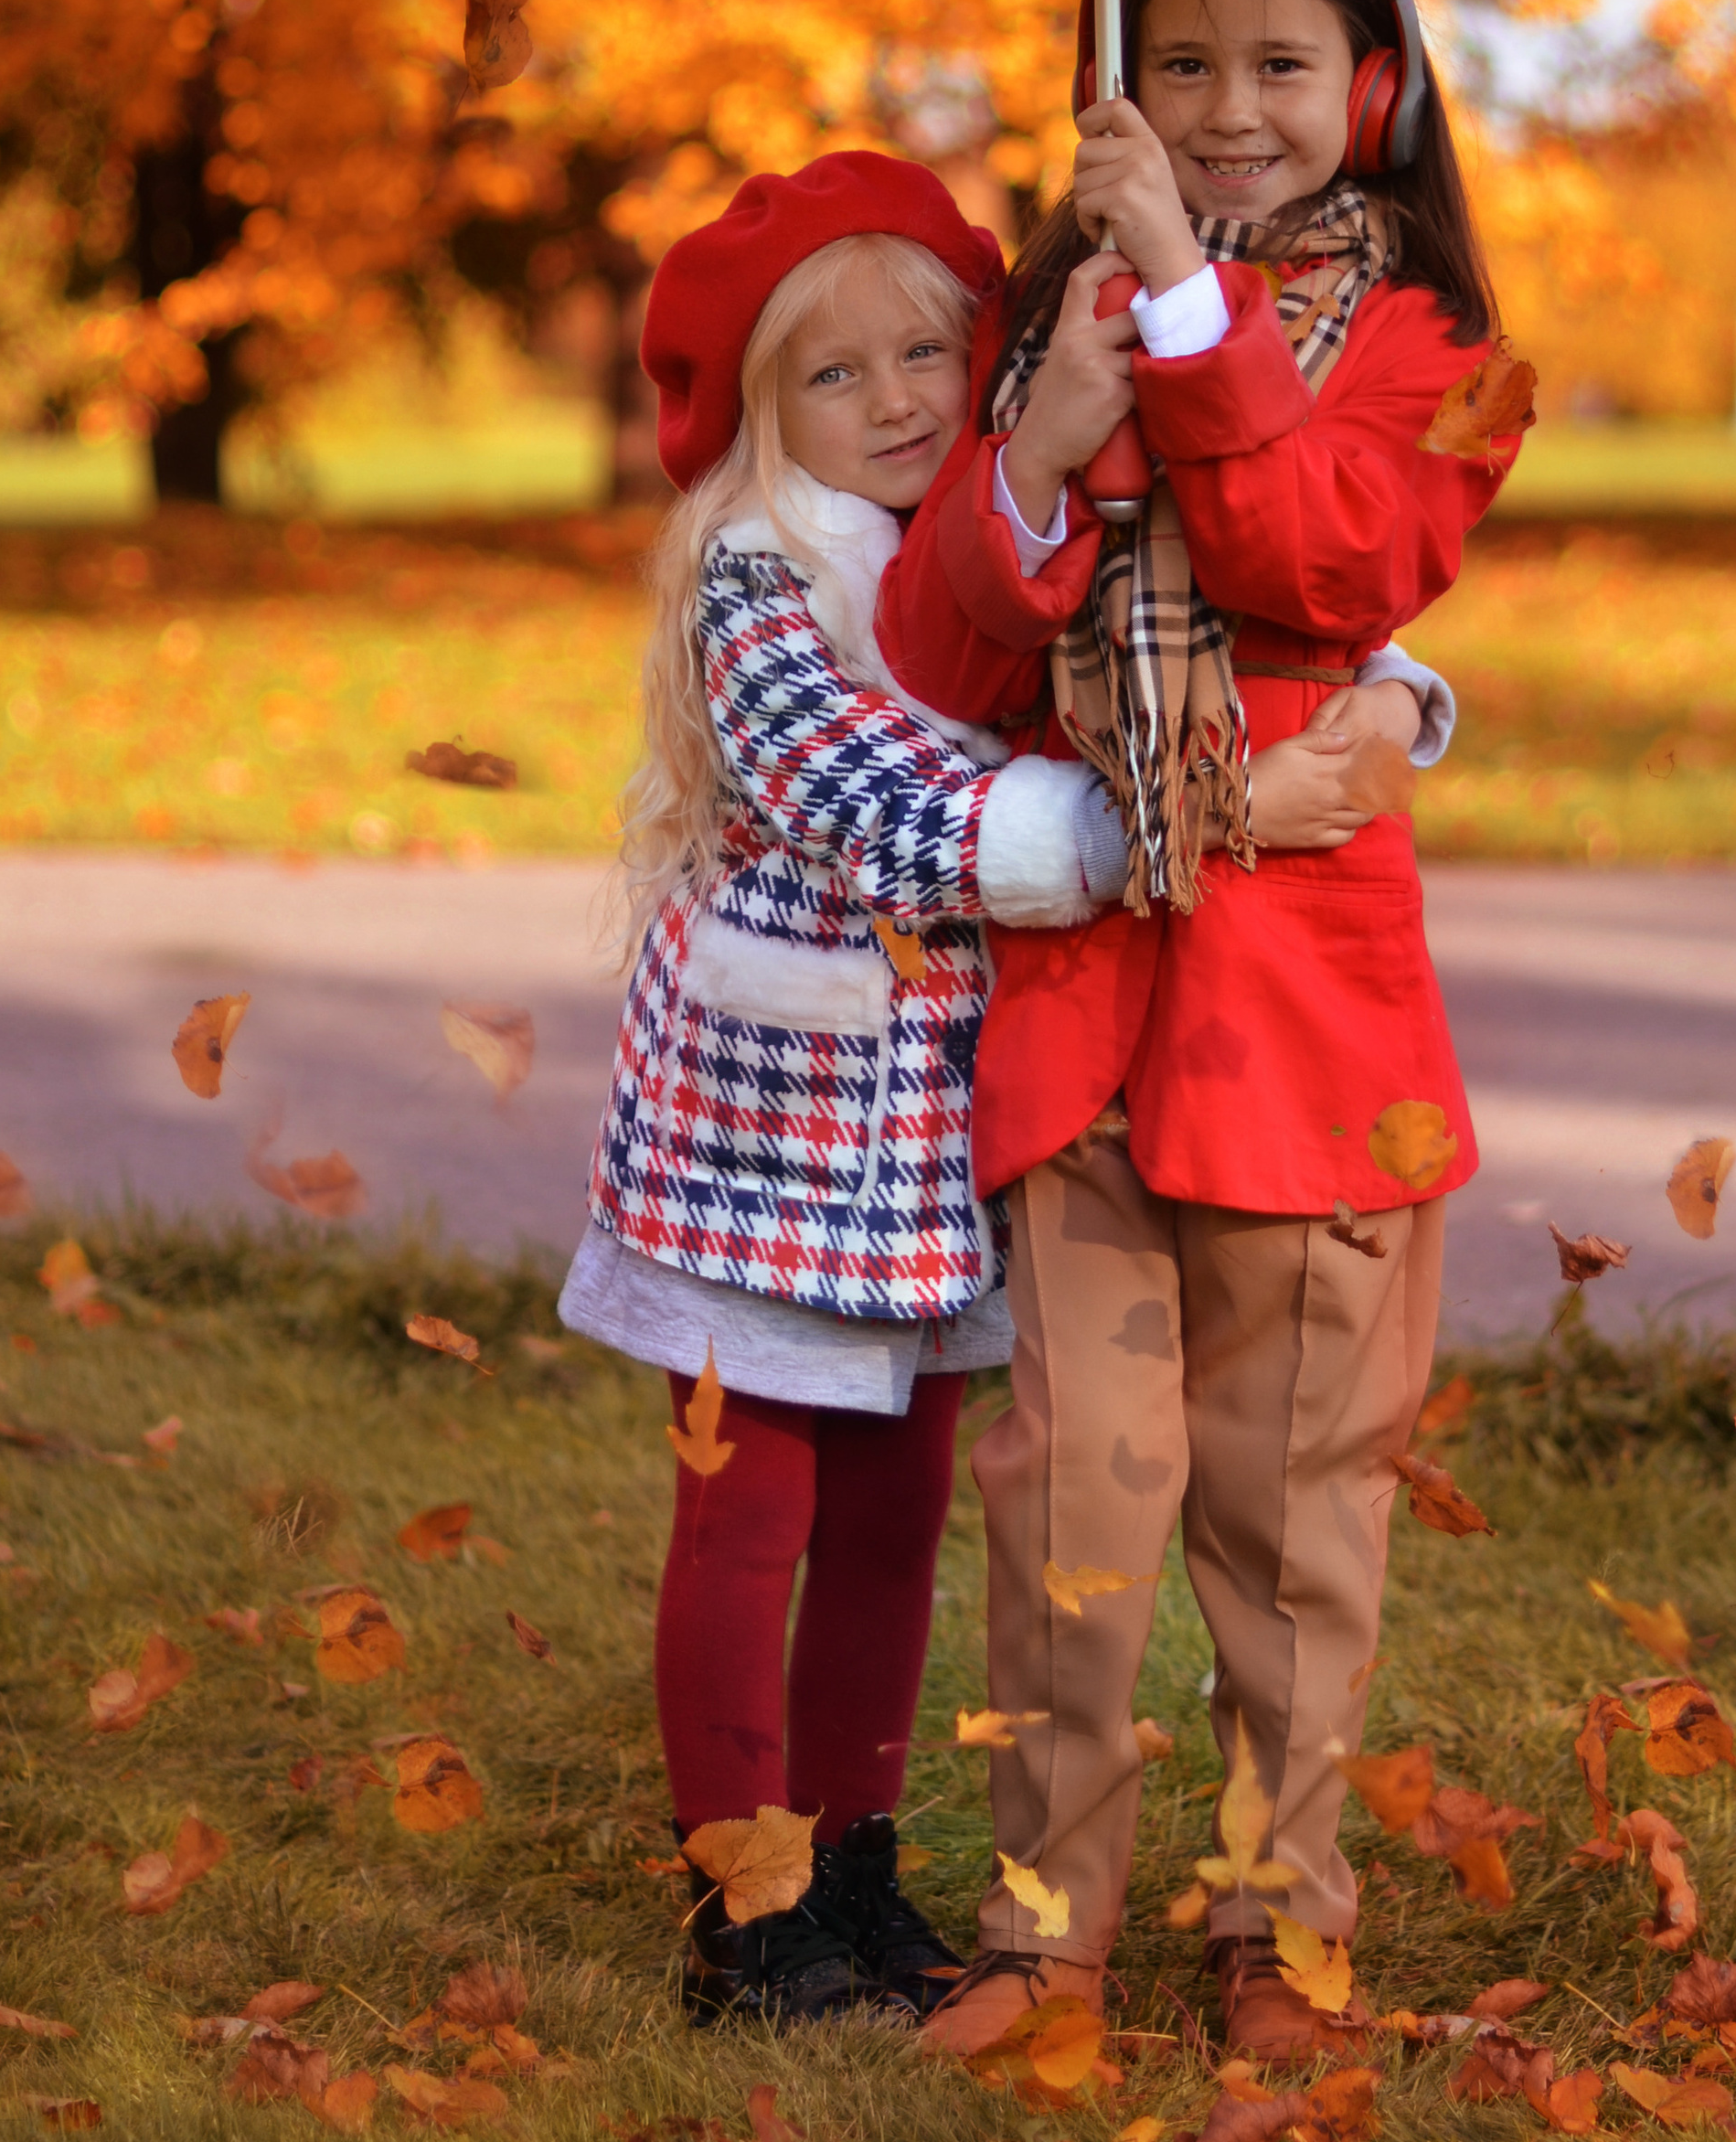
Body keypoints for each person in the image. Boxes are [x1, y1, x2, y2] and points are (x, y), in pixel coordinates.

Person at [557, 149, 1448, 2030]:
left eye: (927, 354)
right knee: (747, 1513)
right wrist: (1177, 827)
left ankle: (860, 1866)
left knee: (897, 1514)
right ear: (754, 411)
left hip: (936, 1142)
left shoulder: (1009, 515)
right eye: (834, 373)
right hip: (767, 1131)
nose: (892, 401)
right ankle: (749, 1896)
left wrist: (1394, 695)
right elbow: (880, 804)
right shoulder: (756, 571)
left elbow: (1234, 608)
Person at [876, 0, 1528, 2063]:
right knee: (1066, 1486)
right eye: (1176, 63)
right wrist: (1043, 442)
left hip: (1307, 1025)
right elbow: (941, 640)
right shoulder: (1043, 322)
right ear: (1106, 84)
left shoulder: (1447, 355)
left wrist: (1178, 297)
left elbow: (1324, 551)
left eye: (1273, 63)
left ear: (1369, 85)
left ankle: (1281, 1925)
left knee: (1284, 1512)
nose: (1226, 106)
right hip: (1079, 1019)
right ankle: (1043, 1918)